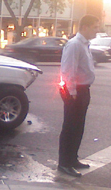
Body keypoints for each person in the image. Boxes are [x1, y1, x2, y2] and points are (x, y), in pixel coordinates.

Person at [58, 15, 100, 177]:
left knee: (78, 127)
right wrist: (72, 93)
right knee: (70, 127)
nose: (97, 30)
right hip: (75, 92)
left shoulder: (84, 45)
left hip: (83, 90)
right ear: (86, 27)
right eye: (95, 27)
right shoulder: (74, 45)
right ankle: (64, 163)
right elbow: (68, 71)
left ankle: (72, 159)